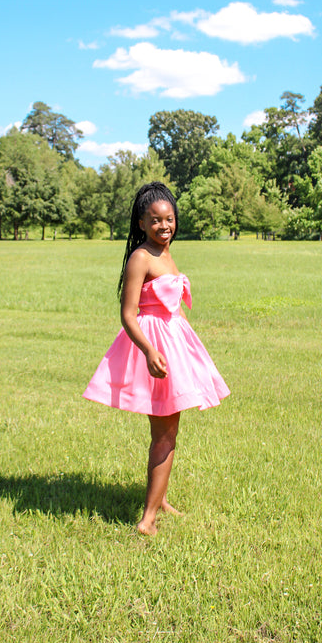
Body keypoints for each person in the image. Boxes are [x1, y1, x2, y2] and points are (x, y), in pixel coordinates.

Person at [83, 182, 230, 535]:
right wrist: (149, 350)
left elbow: (171, 308)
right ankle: (147, 520)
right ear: (141, 223)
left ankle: (159, 498)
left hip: (176, 345)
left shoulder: (166, 254)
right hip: (155, 350)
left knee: (169, 431)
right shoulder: (142, 258)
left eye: (170, 219)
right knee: (165, 434)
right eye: (156, 221)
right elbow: (128, 314)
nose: (164, 226)